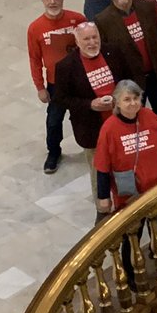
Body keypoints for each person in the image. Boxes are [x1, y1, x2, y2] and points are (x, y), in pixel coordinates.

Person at [94, 80, 157, 264]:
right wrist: (103, 196)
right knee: (133, 233)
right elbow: (102, 165)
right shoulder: (109, 129)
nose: (132, 103)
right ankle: (130, 270)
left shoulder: (150, 116)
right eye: (127, 99)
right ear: (117, 102)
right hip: (130, 193)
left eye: (136, 98)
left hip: (156, 185)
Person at [53, 22, 136, 197]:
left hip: (121, 122)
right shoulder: (66, 66)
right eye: (86, 39)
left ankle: (128, 203)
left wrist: (121, 98)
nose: (92, 42)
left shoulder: (113, 52)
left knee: (127, 165)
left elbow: (130, 79)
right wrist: (90, 104)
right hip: (92, 129)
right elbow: (60, 99)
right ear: (77, 42)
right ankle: (103, 209)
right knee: (99, 172)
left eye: (94, 37)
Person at [96, 0, 157, 139]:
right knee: (134, 121)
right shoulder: (102, 20)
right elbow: (107, 57)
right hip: (129, 81)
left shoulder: (147, 7)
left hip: (156, 75)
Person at [28, 0, 87, 173]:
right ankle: (53, 152)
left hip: (79, 80)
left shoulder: (77, 20)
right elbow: (34, 59)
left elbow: (90, 44)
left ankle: (95, 146)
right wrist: (40, 87)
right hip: (55, 84)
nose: (52, 2)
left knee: (88, 114)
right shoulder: (35, 28)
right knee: (54, 120)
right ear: (43, 0)